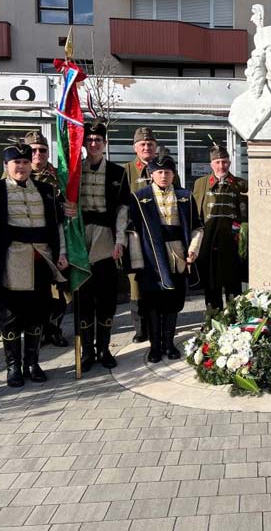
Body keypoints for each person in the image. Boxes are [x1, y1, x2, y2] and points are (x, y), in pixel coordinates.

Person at [0, 144, 69, 387]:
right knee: (10, 316)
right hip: (11, 262)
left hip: (41, 259)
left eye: (25, 162)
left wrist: (61, 254)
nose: (21, 167)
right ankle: (13, 366)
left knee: (37, 314)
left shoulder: (47, 190)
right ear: (6, 165)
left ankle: (32, 362)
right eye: (16, 162)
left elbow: (58, 227)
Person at [128, 156, 203, 363]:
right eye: (159, 172)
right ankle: (155, 347)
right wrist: (138, 263)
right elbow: (133, 232)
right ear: (151, 174)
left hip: (178, 256)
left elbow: (197, 227)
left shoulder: (185, 196)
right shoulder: (139, 197)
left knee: (172, 302)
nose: (163, 176)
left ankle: (169, 344)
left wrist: (193, 250)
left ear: (174, 174)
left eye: (168, 172)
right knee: (153, 302)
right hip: (151, 257)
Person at [70, 120, 130, 373]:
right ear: (84, 143)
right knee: (84, 299)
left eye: (98, 140)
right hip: (81, 239)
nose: (93, 143)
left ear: (105, 144)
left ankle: (104, 348)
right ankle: (87, 351)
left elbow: (122, 209)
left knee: (106, 297)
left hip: (106, 238)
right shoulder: (74, 172)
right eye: (90, 140)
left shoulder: (118, 173)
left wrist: (120, 241)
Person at [8, 131, 69, 348]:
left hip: (53, 241)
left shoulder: (59, 176)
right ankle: (37, 332)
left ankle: (53, 329)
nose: (38, 154)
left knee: (59, 293)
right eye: (33, 150)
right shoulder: (13, 175)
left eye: (42, 150)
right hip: (22, 247)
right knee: (33, 294)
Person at [191, 145, 248, 311]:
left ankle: (234, 319)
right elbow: (196, 213)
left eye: (224, 162)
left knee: (233, 286)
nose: (221, 166)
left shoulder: (240, 184)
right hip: (209, 244)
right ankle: (213, 319)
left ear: (229, 163)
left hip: (232, 244)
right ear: (211, 164)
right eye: (217, 162)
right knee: (211, 285)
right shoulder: (200, 183)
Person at [123, 126, 161, 344]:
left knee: (157, 279)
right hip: (135, 235)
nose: (147, 147)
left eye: (150, 144)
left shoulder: (163, 168)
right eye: (142, 144)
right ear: (135, 148)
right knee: (136, 283)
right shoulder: (126, 170)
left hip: (158, 235)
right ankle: (140, 328)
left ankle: (158, 324)